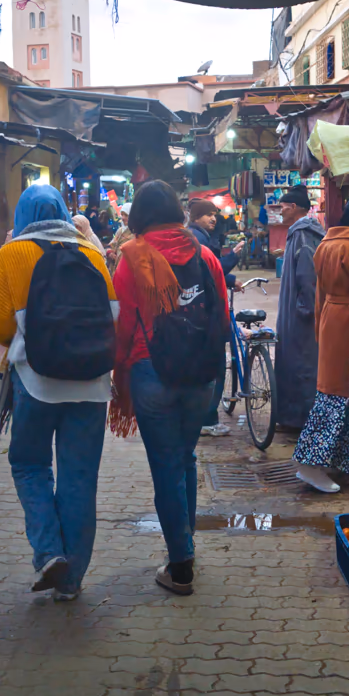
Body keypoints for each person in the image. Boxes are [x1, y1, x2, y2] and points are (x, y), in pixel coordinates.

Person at [0, 184, 119, 601]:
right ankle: (71, 581)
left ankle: (48, 552)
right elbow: (113, 314)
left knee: (29, 464)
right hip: (92, 384)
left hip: (36, 382)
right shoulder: (92, 253)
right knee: (79, 478)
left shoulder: (12, 253)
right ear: (63, 211)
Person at [113, 181, 229, 595]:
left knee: (166, 465)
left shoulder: (132, 257)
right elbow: (221, 316)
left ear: (139, 215)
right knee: (184, 457)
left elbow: (125, 323)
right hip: (200, 375)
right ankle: (186, 542)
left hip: (151, 373)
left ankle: (180, 566)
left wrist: (119, 370)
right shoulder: (205, 255)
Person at [293, 196, 349, 493]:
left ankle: (338, 464)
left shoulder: (327, 243)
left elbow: (319, 293)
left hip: (330, 320)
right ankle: (310, 463)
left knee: (335, 393)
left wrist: (320, 329)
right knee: (340, 395)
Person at [188, 198, 244, 437]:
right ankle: (208, 419)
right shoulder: (197, 239)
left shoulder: (200, 236)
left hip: (201, 309)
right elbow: (211, 270)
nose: (213, 219)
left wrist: (230, 280)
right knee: (215, 365)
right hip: (208, 311)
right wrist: (233, 257)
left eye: (214, 215)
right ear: (196, 217)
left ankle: (204, 417)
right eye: (208, 214)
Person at [274, 186, 325, 429]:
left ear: (294, 207)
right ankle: (294, 418)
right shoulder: (300, 232)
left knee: (301, 367)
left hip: (300, 317)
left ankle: (302, 421)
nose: (281, 212)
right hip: (295, 313)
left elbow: (308, 277)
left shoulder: (303, 235)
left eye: (283, 207)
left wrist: (305, 310)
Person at [106, 203, 132, 273]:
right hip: (116, 268)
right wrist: (110, 253)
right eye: (122, 215)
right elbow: (112, 245)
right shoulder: (120, 231)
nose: (123, 218)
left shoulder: (136, 232)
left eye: (126, 215)